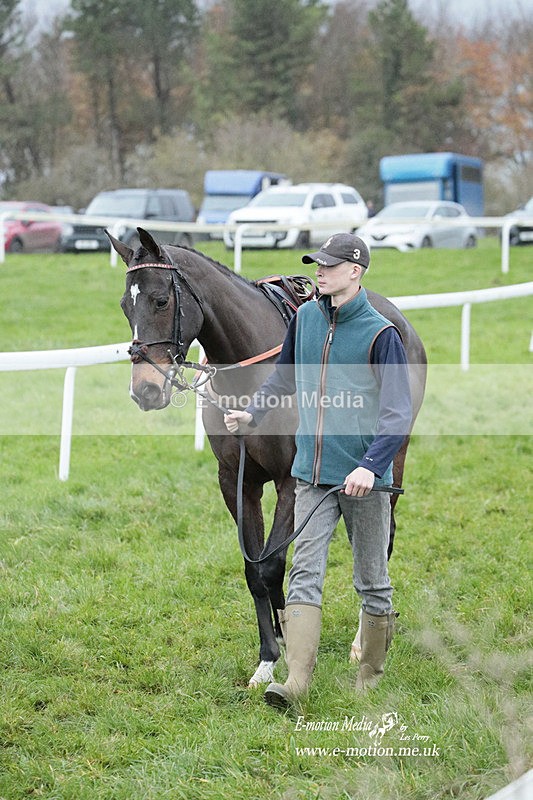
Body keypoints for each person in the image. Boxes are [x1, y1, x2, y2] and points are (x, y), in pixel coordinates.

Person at [224, 233, 412, 708]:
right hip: (311, 474)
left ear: (355, 271)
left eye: (329, 265)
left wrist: (371, 467)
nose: (319, 272)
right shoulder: (306, 318)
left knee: (372, 580)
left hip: (364, 481)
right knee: (303, 575)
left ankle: (369, 679)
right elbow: (283, 377)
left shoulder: (381, 334)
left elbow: (397, 414)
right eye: (317, 265)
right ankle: (295, 682)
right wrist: (253, 414)